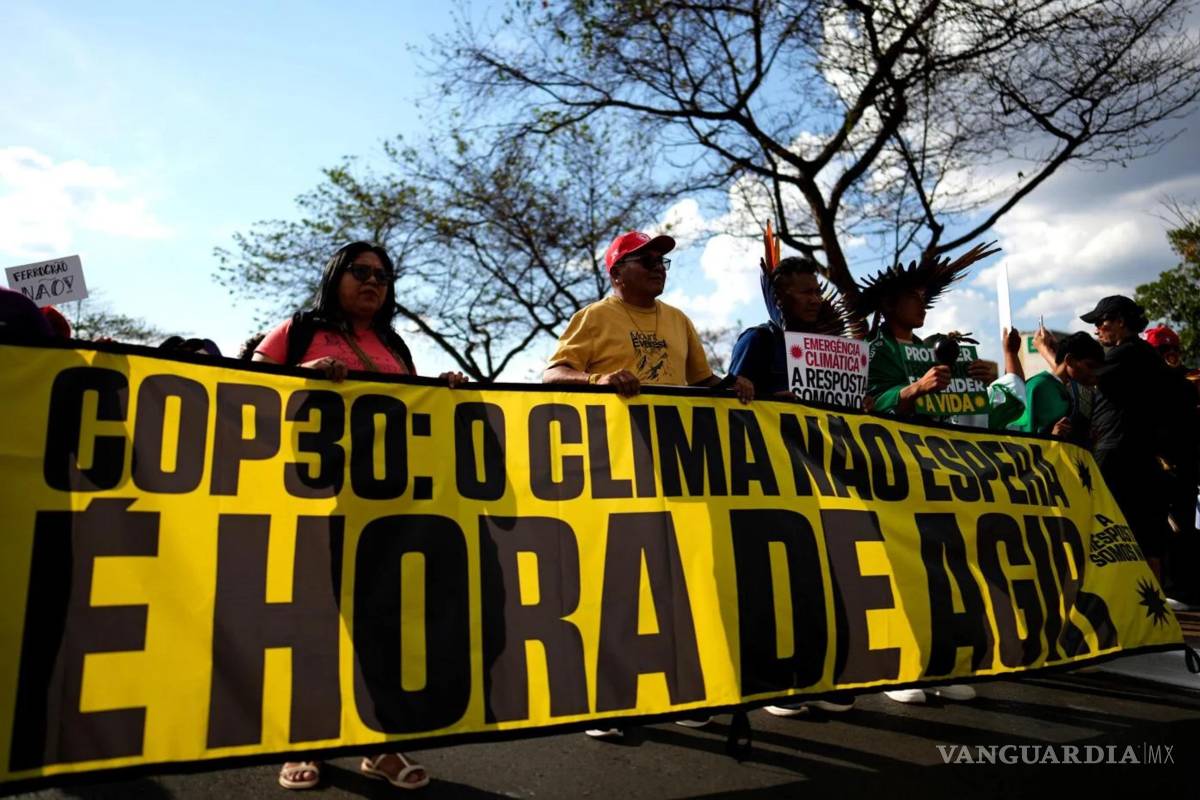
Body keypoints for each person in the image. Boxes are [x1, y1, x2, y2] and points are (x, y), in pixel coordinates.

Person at [254, 241, 462, 791]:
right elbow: (245, 390)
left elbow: (411, 411)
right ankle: (307, 742)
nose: (372, 282)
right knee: (318, 623)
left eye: (382, 276)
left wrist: (441, 395)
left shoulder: (392, 343)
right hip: (312, 505)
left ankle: (378, 744)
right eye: (360, 272)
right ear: (334, 276)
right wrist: (300, 373)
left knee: (380, 626)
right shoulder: (297, 330)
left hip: (387, 511)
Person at [855, 243, 999, 704]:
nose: (922, 304)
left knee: (943, 564)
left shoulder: (934, 349)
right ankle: (903, 664)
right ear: (887, 306)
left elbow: (963, 402)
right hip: (890, 468)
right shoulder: (870, 350)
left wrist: (982, 378)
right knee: (899, 566)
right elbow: (864, 404)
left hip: (935, 466)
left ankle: (941, 663)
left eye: (923, 297)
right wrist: (914, 389)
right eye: (912, 297)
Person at [544, 230, 752, 402]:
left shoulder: (678, 319)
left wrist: (732, 383)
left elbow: (703, 381)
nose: (659, 268)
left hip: (672, 442)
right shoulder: (593, 316)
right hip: (618, 442)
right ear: (617, 274)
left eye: (661, 261)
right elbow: (552, 375)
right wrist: (598, 380)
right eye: (647, 261)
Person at [1081, 296, 1172, 583]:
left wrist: (1052, 354)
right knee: (1145, 532)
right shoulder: (1146, 355)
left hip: (1119, 455)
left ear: (1120, 321)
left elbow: (1084, 374)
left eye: (1100, 322)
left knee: (1112, 528)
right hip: (1141, 454)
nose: (1097, 330)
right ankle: (1152, 600)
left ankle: (1132, 598)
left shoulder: (1127, 353)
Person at [729, 255, 862, 399]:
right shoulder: (758, 340)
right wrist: (772, 400)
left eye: (818, 293)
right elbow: (729, 400)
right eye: (806, 293)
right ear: (780, 297)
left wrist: (859, 401)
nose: (815, 300)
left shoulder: (830, 348)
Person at [1142, 325, 1200, 609]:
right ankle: (1184, 587)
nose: (1171, 355)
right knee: (1182, 527)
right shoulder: (1190, 380)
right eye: (1166, 350)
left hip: (1166, 467)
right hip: (1184, 466)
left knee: (1170, 529)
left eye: (1172, 349)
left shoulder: (1153, 382)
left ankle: (1177, 588)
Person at [1009, 330, 1104, 443]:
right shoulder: (1038, 387)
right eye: (1090, 366)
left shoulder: (1079, 393)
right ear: (1069, 360)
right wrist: (1052, 436)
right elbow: (1024, 437)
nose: (1093, 374)